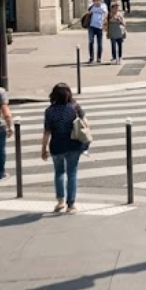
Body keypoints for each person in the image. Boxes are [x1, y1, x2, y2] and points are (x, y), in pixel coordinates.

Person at [41, 83, 88, 213]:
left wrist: (43, 148)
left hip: (56, 145)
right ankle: (71, 204)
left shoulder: (49, 111)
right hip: (73, 144)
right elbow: (86, 123)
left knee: (59, 172)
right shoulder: (74, 107)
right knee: (72, 173)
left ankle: (60, 201)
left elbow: (47, 132)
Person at [83, 0, 107, 64]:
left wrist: (104, 22)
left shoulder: (104, 6)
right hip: (91, 26)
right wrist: (93, 6)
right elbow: (88, 12)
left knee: (99, 43)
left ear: (102, 0)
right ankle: (91, 57)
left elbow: (105, 13)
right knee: (91, 42)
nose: (98, 1)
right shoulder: (91, 5)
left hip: (99, 26)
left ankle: (99, 58)